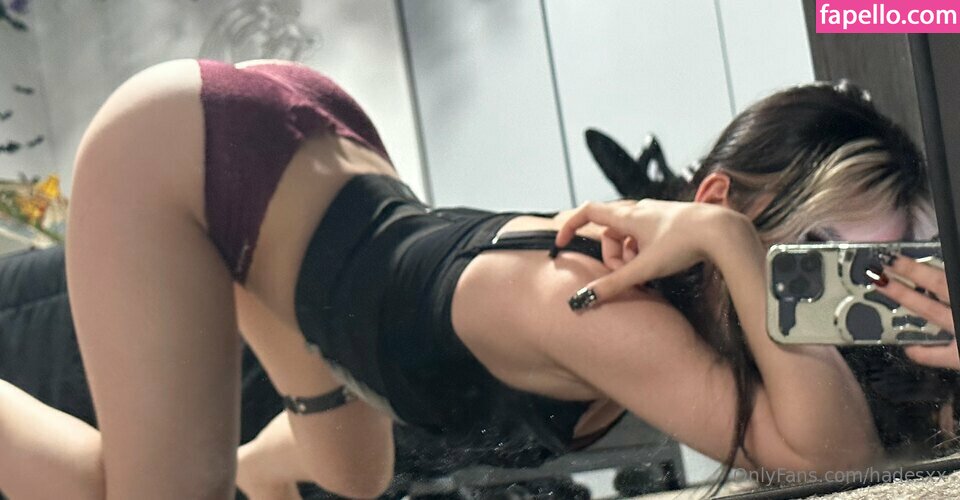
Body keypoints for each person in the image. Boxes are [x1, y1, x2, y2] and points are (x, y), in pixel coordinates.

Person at [0, 58, 941, 499]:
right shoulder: (613, 308)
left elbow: (868, 441)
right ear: (721, 203)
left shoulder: (703, 335)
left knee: (352, 473)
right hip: (190, 153)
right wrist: (733, 246)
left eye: (869, 262)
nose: (832, 289)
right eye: (816, 247)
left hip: (305, 172)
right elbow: (834, 467)